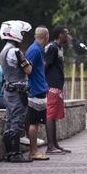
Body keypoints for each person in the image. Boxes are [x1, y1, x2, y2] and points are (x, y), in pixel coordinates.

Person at [0, 20, 33, 163]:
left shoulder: (4, 51)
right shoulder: (15, 52)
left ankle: (9, 153)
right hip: (17, 91)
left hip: (8, 90)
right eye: (23, 33)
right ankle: (15, 154)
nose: (24, 36)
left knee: (10, 120)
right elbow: (28, 70)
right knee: (17, 120)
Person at [44, 26, 71, 154]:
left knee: (53, 116)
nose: (68, 36)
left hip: (57, 86)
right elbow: (45, 66)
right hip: (51, 86)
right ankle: (50, 147)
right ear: (60, 35)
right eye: (66, 34)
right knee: (50, 115)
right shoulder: (52, 48)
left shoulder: (59, 48)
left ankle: (55, 144)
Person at [25, 26, 50, 161]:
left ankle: (34, 151)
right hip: (35, 91)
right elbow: (28, 70)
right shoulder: (34, 50)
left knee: (36, 122)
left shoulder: (37, 49)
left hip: (39, 89)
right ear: (46, 37)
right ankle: (33, 152)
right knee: (34, 123)